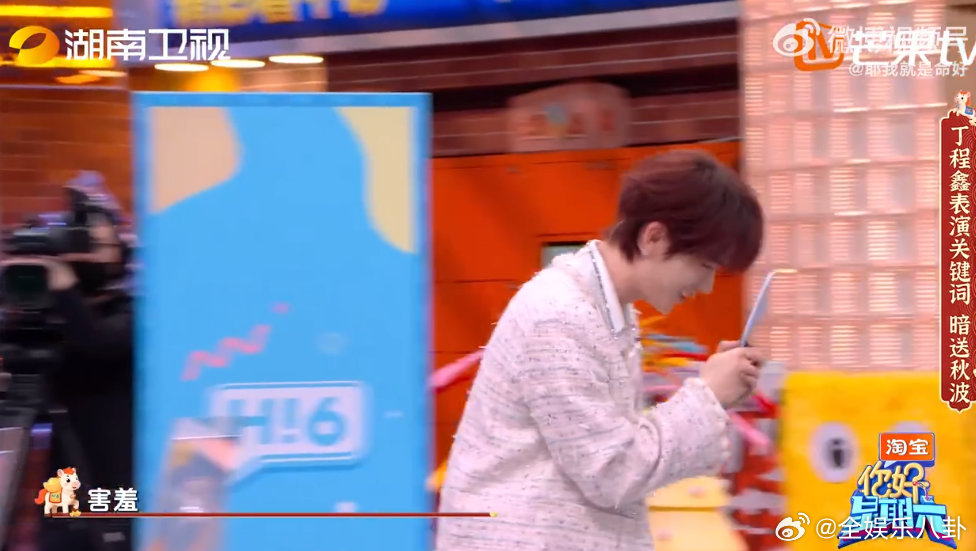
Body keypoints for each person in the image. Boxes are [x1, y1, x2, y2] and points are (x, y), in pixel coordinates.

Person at [435, 149, 765, 551]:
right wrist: (707, 396)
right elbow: (612, 472)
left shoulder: (601, 309)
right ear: (654, 237)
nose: (706, 287)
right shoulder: (561, 315)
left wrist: (714, 393)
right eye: (705, 266)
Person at [0, 190, 134, 551]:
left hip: (112, 471)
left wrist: (64, 287)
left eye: (106, 246)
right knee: (59, 538)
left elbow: (97, 343)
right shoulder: (49, 313)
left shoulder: (129, 311)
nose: (98, 255)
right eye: (89, 245)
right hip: (63, 472)